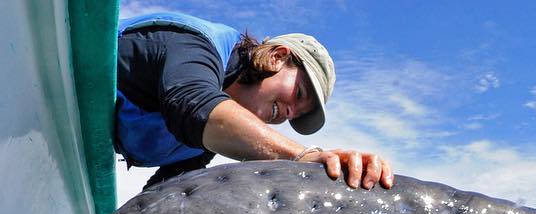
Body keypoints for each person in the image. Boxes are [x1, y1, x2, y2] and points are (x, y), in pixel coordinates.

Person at [115, 11, 394, 191]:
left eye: (296, 115)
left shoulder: (208, 143)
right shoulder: (192, 45)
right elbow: (192, 104)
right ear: (277, 57)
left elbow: (160, 191)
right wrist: (305, 157)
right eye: (298, 95)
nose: (289, 113)